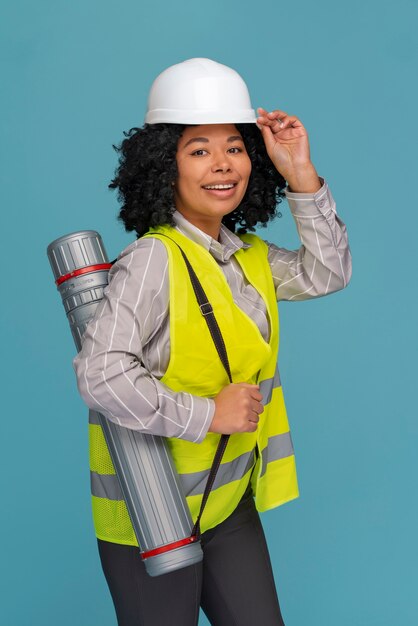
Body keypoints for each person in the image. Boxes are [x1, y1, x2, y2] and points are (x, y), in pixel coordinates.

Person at [73, 58, 352, 626]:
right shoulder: (153, 260)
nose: (222, 165)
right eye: (198, 150)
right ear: (163, 166)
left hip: (227, 505)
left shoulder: (246, 255)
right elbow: (99, 373)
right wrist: (206, 415)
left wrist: (300, 171)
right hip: (152, 511)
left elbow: (328, 271)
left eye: (235, 147)